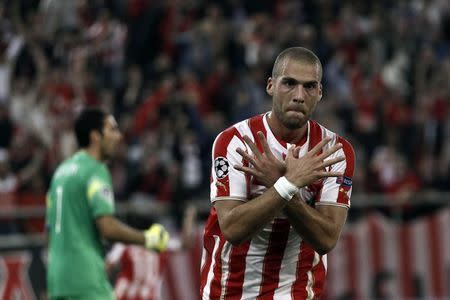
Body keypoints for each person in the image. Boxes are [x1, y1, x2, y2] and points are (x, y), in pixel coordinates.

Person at [200, 47, 355, 299]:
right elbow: (232, 229)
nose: (299, 95)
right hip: (230, 291)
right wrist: (290, 183)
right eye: (289, 84)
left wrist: (282, 185)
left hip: (296, 292)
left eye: (309, 87)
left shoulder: (335, 152)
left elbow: (326, 239)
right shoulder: (235, 142)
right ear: (271, 86)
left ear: (320, 93)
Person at [46, 107, 170, 300]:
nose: (118, 136)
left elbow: (49, 231)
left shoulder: (60, 173)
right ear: (95, 136)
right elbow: (107, 228)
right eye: (112, 129)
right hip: (86, 277)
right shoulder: (95, 170)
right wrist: (148, 239)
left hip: (57, 279)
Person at [106, 205, 197, 300]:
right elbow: (186, 244)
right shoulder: (161, 243)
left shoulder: (124, 245)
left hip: (124, 295)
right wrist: (189, 217)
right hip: (149, 295)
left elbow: (107, 269)